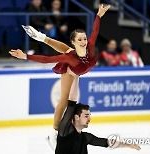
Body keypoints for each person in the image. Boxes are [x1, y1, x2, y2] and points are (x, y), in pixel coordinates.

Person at [9, 4, 111, 149]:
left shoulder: (91, 47)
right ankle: (54, 132)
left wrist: (99, 15)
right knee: (64, 100)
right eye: (80, 40)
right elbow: (47, 59)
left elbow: (95, 31)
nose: (84, 42)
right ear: (74, 42)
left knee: (68, 51)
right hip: (70, 71)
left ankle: (42, 37)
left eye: (84, 39)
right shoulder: (70, 58)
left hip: (77, 66)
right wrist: (25, 56)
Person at [49, 93, 141, 153]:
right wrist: (76, 76)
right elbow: (71, 103)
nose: (89, 119)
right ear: (76, 117)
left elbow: (107, 142)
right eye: (86, 116)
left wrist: (128, 145)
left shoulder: (85, 137)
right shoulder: (66, 132)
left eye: (89, 115)